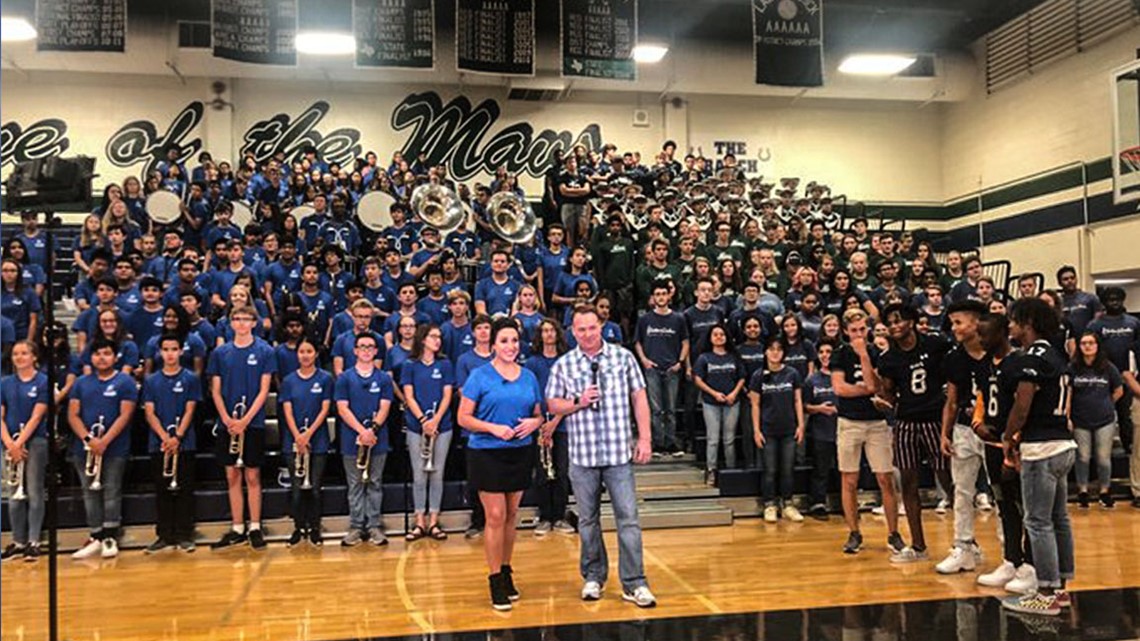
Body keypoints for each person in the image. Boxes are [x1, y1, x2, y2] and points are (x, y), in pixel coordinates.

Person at [547, 304, 657, 609]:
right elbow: (553, 404)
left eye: (591, 328)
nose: (587, 334)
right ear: (572, 331)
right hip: (582, 456)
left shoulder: (623, 358)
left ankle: (634, 582)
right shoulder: (564, 365)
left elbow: (640, 398)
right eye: (580, 329)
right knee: (588, 522)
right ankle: (593, 576)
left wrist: (645, 438)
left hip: (618, 452)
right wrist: (577, 401)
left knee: (629, 520)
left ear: (601, 326)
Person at [457, 319, 545, 611]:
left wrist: (536, 422)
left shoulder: (529, 376)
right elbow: (463, 417)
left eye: (514, 340)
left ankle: (506, 570)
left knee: (511, 515)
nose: (510, 346)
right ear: (492, 344)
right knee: (495, 515)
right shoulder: (479, 376)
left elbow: (538, 413)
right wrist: (492, 428)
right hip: (486, 452)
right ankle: (494, 579)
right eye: (504, 341)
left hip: (520, 451)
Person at [1000, 297, 1076, 616]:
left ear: (1028, 323)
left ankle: (1045, 593)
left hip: (1041, 448)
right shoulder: (1057, 354)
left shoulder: (1033, 356)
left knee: (1037, 521)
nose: (1010, 327)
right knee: (1059, 519)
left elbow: (1024, 401)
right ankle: (1061, 588)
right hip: (1064, 445)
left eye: (1014, 321)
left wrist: (1008, 437)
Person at [872, 303, 953, 563]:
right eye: (890, 323)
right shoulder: (887, 359)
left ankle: (966, 540)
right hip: (906, 421)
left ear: (913, 321)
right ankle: (918, 545)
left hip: (935, 420)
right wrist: (883, 400)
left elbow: (951, 378)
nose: (895, 326)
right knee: (908, 481)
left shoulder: (936, 344)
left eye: (899, 320)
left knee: (948, 479)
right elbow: (888, 391)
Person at [831, 309, 905, 556]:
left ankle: (894, 533)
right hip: (849, 422)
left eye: (863, 329)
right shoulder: (840, 354)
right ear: (845, 332)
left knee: (885, 478)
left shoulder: (877, 353)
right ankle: (854, 532)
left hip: (877, 423)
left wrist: (864, 356)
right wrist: (866, 390)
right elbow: (839, 388)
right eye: (854, 331)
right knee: (849, 480)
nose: (859, 334)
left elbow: (877, 386)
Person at [206, 305, 276, 551]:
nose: (242, 323)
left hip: (252, 422)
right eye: (237, 319)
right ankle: (237, 527)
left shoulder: (265, 351)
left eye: (247, 319)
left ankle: (255, 527)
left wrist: (245, 420)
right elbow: (215, 390)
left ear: (254, 323)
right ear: (231, 323)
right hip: (227, 423)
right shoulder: (220, 352)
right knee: (232, 475)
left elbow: (264, 390)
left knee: (253, 475)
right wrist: (226, 418)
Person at [975, 313, 1036, 593]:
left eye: (985, 334)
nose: (980, 339)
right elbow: (981, 399)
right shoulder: (985, 365)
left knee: (1025, 507)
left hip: (1014, 446)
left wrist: (1014, 443)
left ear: (1002, 334)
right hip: (992, 446)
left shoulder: (1019, 363)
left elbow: (1024, 407)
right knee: (1004, 506)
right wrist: (977, 424)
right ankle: (1011, 560)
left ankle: (1031, 565)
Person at [67, 337, 139, 560]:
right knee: (90, 493)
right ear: (91, 357)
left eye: (106, 353)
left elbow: (125, 415)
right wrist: (89, 439)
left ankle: (110, 536)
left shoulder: (124, 382)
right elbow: (73, 415)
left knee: (111, 492)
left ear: (115, 357)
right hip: (85, 448)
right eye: (97, 354)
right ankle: (95, 535)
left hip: (114, 447)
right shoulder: (81, 383)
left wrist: (104, 441)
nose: (102, 358)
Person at [935, 299, 991, 575]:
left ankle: (1013, 555)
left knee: (1004, 495)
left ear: (976, 323)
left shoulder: (997, 352)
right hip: (964, 430)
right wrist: (945, 433)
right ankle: (963, 548)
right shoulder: (954, 357)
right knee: (962, 491)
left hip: (993, 431)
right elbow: (952, 401)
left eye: (959, 322)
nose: (954, 327)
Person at [142, 334, 202, 553]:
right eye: (165, 349)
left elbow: (190, 410)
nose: (170, 353)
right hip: (159, 443)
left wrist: (177, 436)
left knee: (185, 490)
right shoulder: (151, 380)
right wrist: (164, 437)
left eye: (174, 349)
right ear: (159, 352)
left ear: (181, 351)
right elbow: (149, 413)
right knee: (162, 490)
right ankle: (164, 536)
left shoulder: (190, 378)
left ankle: (185, 534)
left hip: (184, 443)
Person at [334, 332, 394, 547]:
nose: (367, 350)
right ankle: (356, 526)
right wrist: (362, 431)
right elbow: (342, 408)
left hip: (378, 440)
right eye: (362, 346)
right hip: (352, 439)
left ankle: (374, 526)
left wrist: (373, 430)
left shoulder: (384, 379)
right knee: (355, 484)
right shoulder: (344, 378)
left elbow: (384, 407)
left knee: (375, 483)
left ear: (376, 351)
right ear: (355, 351)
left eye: (370, 347)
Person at [401, 325, 455, 542]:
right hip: (417, 426)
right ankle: (419, 521)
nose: (438, 340)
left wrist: (435, 420)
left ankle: (434, 521)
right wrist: (424, 420)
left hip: (442, 426)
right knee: (419, 475)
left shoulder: (445, 364)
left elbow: (447, 396)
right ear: (423, 339)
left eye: (439, 337)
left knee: (437, 474)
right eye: (433, 336)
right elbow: (409, 396)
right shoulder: (409, 365)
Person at [279, 336, 334, 547]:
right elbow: (287, 410)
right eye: (302, 352)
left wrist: (308, 434)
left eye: (309, 351)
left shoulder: (325, 378)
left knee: (314, 487)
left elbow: (324, 409)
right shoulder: (289, 380)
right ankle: (298, 527)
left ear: (316, 354)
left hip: (317, 440)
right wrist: (298, 436)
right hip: (293, 441)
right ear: (297, 354)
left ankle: (315, 529)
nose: (305, 355)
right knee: (296, 488)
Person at [1, 341, 50, 561]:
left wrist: (20, 442)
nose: (19, 357)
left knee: (34, 491)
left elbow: (37, 415)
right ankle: (18, 541)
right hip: (9, 444)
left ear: (33, 357)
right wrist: (10, 445)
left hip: (35, 441)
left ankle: (33, 541)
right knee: (14, 493)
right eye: (15, 354)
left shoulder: (43, 381)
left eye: (24, 353)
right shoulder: (4, 383)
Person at [524, 318, 574, 535]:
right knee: (543, 472)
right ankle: (544, 517)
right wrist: (543, 424)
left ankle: (560, 516)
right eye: (544, 331)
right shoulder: (532, 363)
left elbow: (571, 394)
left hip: (562, 425)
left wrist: (554, 422)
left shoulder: (566, 361)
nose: (548, 334)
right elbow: (531, 394)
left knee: (561, 472)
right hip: (540, 425)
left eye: (552, 330)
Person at [750, 337, 805, 522]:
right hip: (768, 430)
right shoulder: (758, 376)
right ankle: (769, 504)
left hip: (789, 429)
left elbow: (797, 400)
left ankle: (788, 504)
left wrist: (801, 425)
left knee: (788, 469)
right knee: (770, 470)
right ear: (765, 352)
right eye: (771, 349)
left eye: (779, 349)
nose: (775, 352)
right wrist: (756, 430)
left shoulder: (792, 374)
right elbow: (755, 405)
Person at [1068, 331, 1123, 509]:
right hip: (1080, 420)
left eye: (1091, 343)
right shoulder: (1073, 367)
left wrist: (1107, 404)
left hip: (1104, 420)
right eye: (1084, 343)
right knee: (1082, 457)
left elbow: (1119, 390)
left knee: (1103, 458)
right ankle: (1082, 491)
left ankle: (1105, 491)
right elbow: (1067, 393)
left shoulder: (1108, 367)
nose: (1088, 346)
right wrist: (1068, 416)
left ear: (1098, 346)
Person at [635, 283, 689, 457]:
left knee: (671, 409)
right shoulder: (645, 319)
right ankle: (658, 444)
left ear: (669, 296)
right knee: (656, 409)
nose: (661, 297)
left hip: (672, 368)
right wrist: (644, 360)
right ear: (653, 297)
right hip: (652, 369)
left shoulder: (678, 319)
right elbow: (637, 342)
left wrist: (680, 362)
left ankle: (671, 442)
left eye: (664, 293)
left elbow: (685, 342)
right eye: (657, 294)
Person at [694, 323, 746, 484]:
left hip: (732, 402)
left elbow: (742, 377)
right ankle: (711, 471)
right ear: (710, 338)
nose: (719, 337)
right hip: (711, 403)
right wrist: (714, 393)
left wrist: (733, 394)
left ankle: (731, 471)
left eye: (722, 334)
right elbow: (698, 379)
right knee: (713, 439)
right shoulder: (704, 358)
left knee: (729, 439)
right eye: (715, 334)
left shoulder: (734, 356)